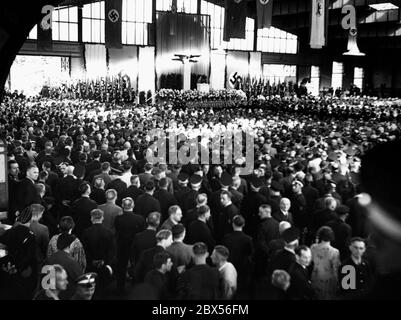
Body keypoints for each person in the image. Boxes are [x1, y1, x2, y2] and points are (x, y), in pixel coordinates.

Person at [0, 207, 38, 299]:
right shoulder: (31, 236)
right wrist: (18, 267)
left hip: (7, 267)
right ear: (30, 221)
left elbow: (2, 248)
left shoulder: (9, 232)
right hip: (22, 271)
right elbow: (29, 256)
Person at [114, 197, 146, 293]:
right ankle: (135, 287)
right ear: (133, 206)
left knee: (121, 267)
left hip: (122, 246)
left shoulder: (118, 219)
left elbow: (117, 231)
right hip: (135, 246)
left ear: (122, 206)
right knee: (136, 265)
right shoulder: (140, 219)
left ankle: (120, 287)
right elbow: (142, 232)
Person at [81, 209, 115, 297]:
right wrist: (105, 261)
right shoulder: (109, 232)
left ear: (91, 218)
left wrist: (91, 261)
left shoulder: (86, 232)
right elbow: (112, 250)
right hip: (104, 266)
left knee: (91, 290)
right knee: (103, 289)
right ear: (102, 218)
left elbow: (84, 250)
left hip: (90, 266)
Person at [222, 215, 253, 297]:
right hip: (243, 266)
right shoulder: (248, 239)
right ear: (243, 225)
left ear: (233, 224)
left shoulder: (226, 238)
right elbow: (250, 253)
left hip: (230, 265)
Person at [45, 233, 83, 299]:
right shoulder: (72, 262)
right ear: (70, 245)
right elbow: (80, 281)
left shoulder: (50, 259)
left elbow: (45, 283)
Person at [310, 226, 341, 300]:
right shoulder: (335, 252)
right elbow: (335, 268)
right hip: (329, 280)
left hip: (315, 277)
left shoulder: (313, 247)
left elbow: (310, 261)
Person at [254, 204, 280, 277]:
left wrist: (268, 252)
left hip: (263, 256)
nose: (259, 214)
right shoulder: (277, 224)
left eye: (261, 212)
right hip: (274, 254)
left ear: (267, 212)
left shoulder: (262, 225)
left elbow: (261, 242)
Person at [29, 204, 49, 269]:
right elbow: (45, 247)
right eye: (41, 214)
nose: (41, 216)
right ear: (38, 214)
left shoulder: (18, 225)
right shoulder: (43, 228)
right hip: (36, 260)